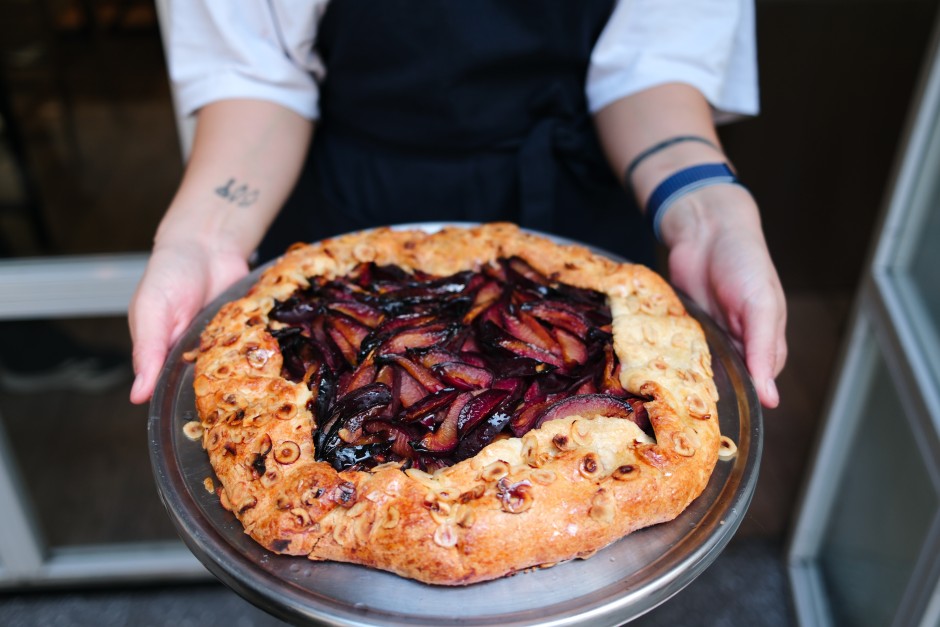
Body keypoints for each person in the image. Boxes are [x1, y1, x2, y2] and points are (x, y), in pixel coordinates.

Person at [129, 1, 786, 409]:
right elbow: (257, 74)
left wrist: (708, 211)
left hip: (571, 216)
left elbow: (651, 66)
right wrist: (202, 235)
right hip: (350, 222)